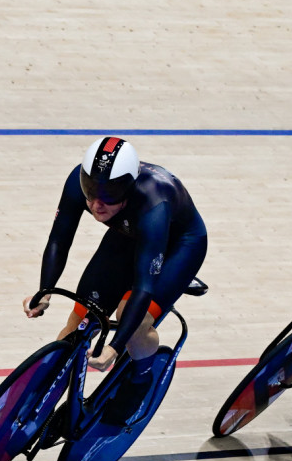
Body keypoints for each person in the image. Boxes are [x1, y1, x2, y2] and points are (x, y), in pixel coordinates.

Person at [22, 136, 208, 419]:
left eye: (108, 195)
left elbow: (144, 287)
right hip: (129, 233)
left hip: (179, 245)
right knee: (81, 318)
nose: (97, 204)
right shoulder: (80, 181)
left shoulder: (153, 201)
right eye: (91, 191)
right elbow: (59, 240)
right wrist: (44, 290)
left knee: (132, 319)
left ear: (129, 188)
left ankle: (140, 380)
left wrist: (114, 346)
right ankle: (44, 399)